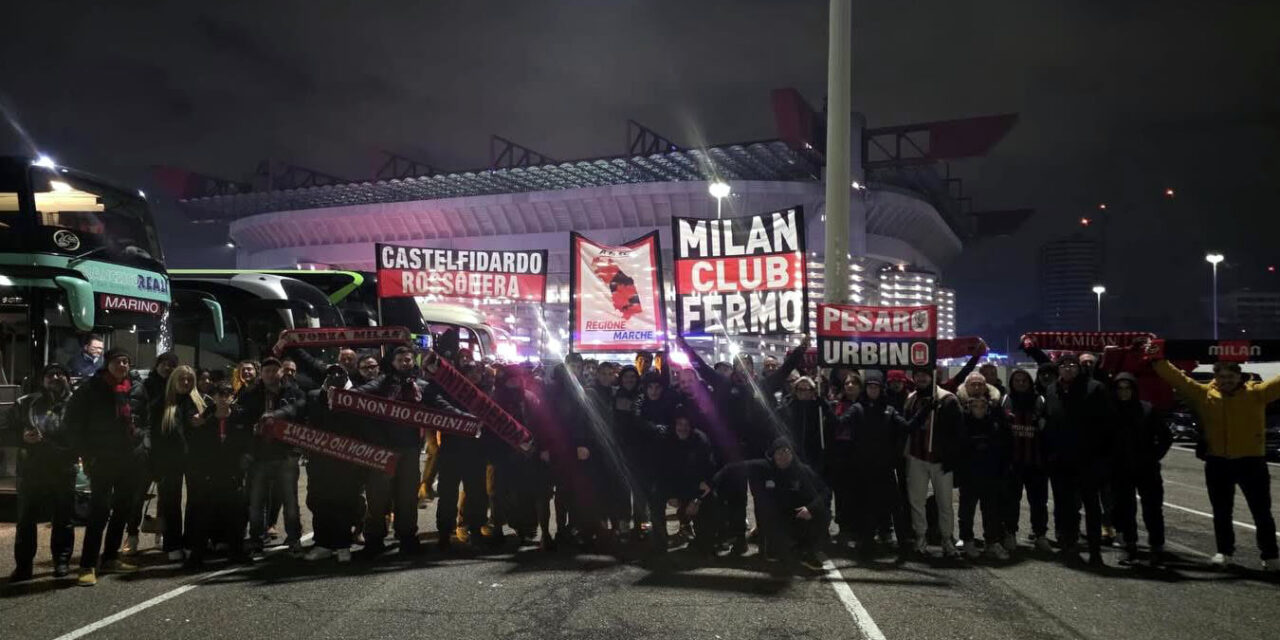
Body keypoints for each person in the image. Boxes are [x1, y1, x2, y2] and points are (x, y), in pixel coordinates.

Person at [1151, 356, 1279, 571]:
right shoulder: (1204, 394)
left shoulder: (1257, 393)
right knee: (1221, 511)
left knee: (1262, 512)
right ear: (1215, 378)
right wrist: (1157, 361)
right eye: (1222, 377)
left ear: (1239, 376)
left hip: (1251, 461)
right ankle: (1224, 552)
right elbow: (1179, 380)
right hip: (1218, 462)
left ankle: (1271, 555)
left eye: (1231, 377)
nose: (1226, 381)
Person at [360, 346, 459, 556]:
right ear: (393, 363)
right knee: (378, 497)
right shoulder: (382, 383)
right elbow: (359, 395)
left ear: (413, 362)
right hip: (384, 449)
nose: (405, 363)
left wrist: (462, 418)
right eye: (400, 360)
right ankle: (374, 539)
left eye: (408, 359)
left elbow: (442, 405)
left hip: (409, 449)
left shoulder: (421, 386)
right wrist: (339, 394)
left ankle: (407, 537)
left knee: (407, 497)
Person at [66, 348, 149, 586]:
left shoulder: (136, 388)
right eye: (117, 361)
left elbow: (146, 419)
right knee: (99, 512)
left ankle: (111, 557)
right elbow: (73, 422)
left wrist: (142, 440)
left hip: (130, 458)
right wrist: (86, 454)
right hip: (101, 459)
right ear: (107, 363)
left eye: (126, 361)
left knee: (122, 509)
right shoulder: (91, 389)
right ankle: (87, 564)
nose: (122, 365)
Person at [704, 438, 830, 571]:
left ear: (792, 454)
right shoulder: (763, 467)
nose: (783, 456)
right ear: (773, 455)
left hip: (797, 515)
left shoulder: (802, 470)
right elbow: (731, 468)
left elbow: (825, 491)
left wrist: (810, 509)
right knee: (775, 555)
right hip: (773, 520)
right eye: (779, 453)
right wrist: (712, 483)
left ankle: (806, 550)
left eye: (786, 452)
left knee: (823, 514)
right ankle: (772, 543)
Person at [3, 364, 76, 582]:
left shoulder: (77, 404)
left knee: (63, 518)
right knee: (26, 521)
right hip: (31, 470)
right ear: (42, 380)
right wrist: (22, 437)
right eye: (50, 374)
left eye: (61, 374)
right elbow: (5, 428)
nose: (55, 377)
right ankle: (23, 567)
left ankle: (61, 561)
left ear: (68, 379)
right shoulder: (25, 402)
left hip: (63, 468)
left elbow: (85, 434)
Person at [837, 371, 918, 559]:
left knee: (895, 507)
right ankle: (867, 543)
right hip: (864, 467)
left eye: (876, 387)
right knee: (867, 506)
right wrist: (824, 406)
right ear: (866, 389)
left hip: (885, 467)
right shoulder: (857, 408)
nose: (873, 390)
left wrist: (925, 410)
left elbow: (907, 427)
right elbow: (839, 423)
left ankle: (902, 544)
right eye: (870, 386)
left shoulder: (889, 410)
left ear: (881, 389)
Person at [1042, 354, 1111, 566]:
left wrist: (1101, 456)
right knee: (1066, 505)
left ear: (1079, 368)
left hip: (1087, 459)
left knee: (1091, 505)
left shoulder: (1094, 388)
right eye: (1064, 365)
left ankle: (1094, 548)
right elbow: (1050, 421)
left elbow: (1106, 423)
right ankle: (1069, 543)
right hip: (1061, 460)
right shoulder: (1052, 390)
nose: (1068, 369)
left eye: (1072, 365)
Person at [234, 357, 306, 554]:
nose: (271, 374)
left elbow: (300, 410)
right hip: (259, 456)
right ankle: (256, 538)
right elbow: (242, 422)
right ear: (261, 374)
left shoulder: (293, 392)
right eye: (267, 371)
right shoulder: (250, 394)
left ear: (281, 372)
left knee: (290, 501)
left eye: (275, 370)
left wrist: (277, 414)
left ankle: (294, 538)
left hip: (286, 455)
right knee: (256, 502)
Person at [184, 382, 251, 568]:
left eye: (227, 394)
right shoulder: (203, 419)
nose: (223, 398)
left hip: (233, 475)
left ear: (233, 397)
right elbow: (196, 449)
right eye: (219, 394)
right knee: (203, 517)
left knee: (235, 516)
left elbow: (247, 445)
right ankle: (197, 556)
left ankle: (237, 553)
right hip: (209, 476)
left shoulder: (240, 418)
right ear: (213, 397)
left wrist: (243, 465)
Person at [1109, 372, 1172, 566]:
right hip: (1121, 469)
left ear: (1134, 389)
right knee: (1125, 510)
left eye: (1127, 388)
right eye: (1120, 388)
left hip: (1147, 469)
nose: (1124, 392)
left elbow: (1165, 437)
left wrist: (1154, 456)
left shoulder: (1147, 409)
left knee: (1152, 510)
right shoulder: (1110, 411)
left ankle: (1157, 547)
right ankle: (1130, 546)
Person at [903, 366, 965, 558]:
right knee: (916, 501)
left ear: (933, 377)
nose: (921, 378)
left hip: (940, 460)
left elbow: (958, 432)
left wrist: (952, 458)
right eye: (918, 375)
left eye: (925, 375)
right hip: (917, 456)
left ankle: (946, 538)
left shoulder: (948, 399)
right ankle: (920, 537)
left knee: (944, 502)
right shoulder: (911, 399)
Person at [648, 407, 718, 555]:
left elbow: (709, 470)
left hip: (693, 485)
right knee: (655, 496)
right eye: (679, 424)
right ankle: (660, 543)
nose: (683, 428)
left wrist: (697, 500)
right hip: (671, 484)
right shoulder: (664, 439)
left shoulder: (701, 440)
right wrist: (671, 494)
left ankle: (705, 541)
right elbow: (658, 470)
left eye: (686, 424)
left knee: (711, 499)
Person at [154, 365, 204, 561]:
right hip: (170, 460)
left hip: (195, 460)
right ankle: (172, 544)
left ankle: (192, 542)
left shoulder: (199, 403)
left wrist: (203, 424)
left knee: (196, 501)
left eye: (189, 379)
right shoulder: (161, 404)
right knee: (170, 503)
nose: (185, 382)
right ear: (173, 380)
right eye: (181, 379)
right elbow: (155, 436)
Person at [956, 394, 1013, 561]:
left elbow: (1004, 447)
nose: (979, 410)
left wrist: (1002, 470)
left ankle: (991, 542)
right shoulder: (963, 424)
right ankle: (967, 540)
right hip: (969, 475)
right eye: (975, 406)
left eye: (982, 406)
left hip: (990, 474)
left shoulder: (994, 424)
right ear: (968, 407)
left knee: (990, 511)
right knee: (966, 511)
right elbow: (958, 449)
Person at [1002, 368, 1051, 553]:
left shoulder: (1040, 400)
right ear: (1012, 383)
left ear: (1030, 382)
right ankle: (1010, 533)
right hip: (1013, 461)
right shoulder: (1006, 400)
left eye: (1024, 380)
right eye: (1017, 380)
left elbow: (1047, 428)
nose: (1021, 383)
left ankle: (1040, 534)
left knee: (1038, 502)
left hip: (1036, 461)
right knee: (1011, 501)